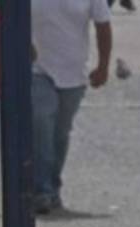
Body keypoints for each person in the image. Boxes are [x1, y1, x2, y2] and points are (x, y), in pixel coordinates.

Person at [31, 0, 112, 214]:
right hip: (37, 70)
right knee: (41, 126)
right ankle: (41, 191)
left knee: (60, 134)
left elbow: (103, 25)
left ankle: (52, 186)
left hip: (73, 74)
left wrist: (103, 66)